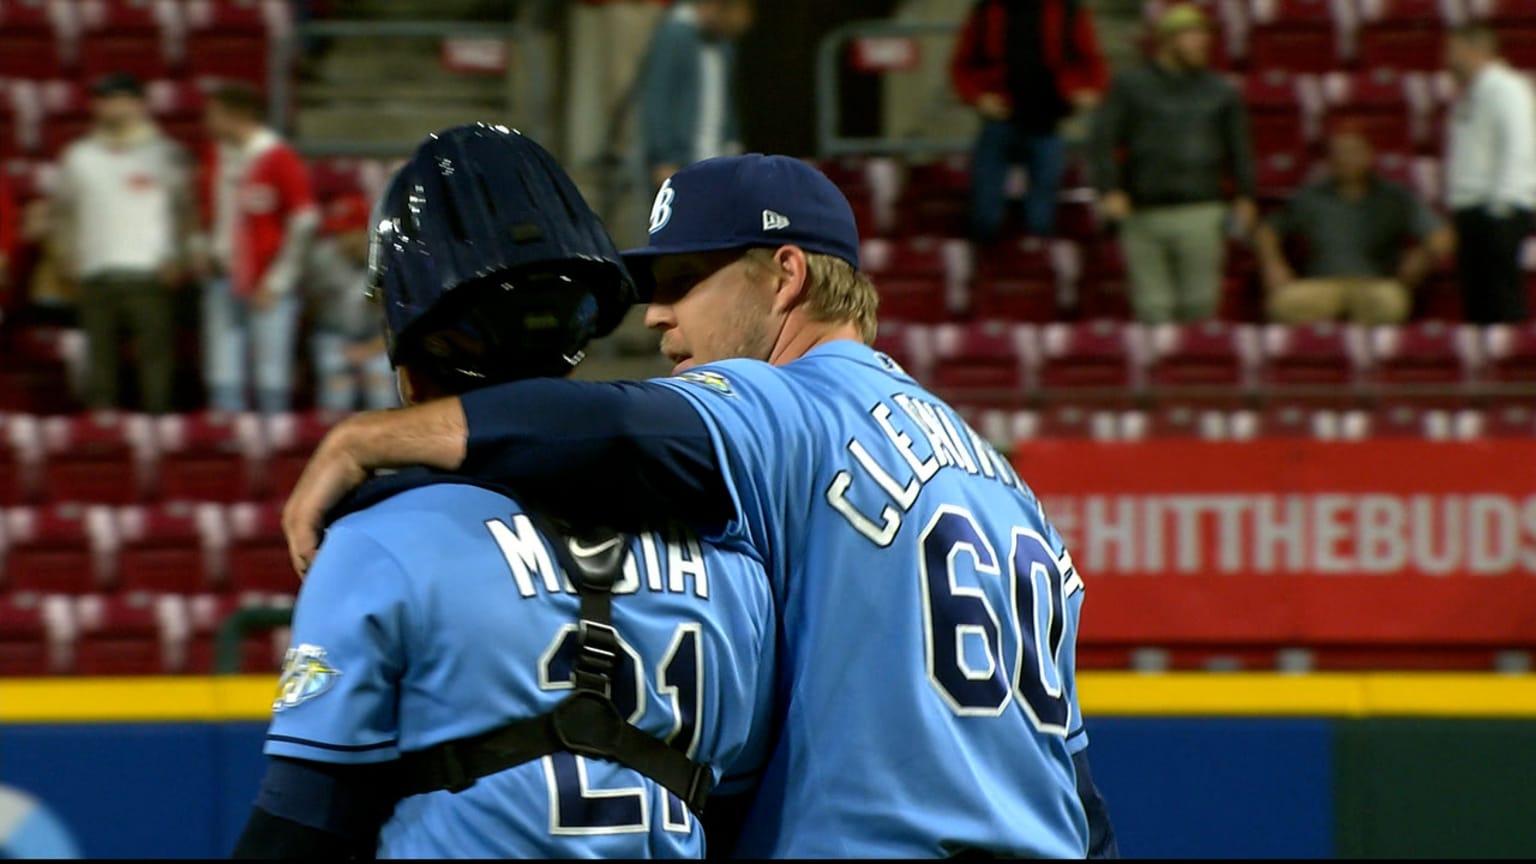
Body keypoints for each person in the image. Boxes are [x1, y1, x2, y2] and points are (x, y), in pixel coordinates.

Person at [279, 155, 1118, 858]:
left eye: (684, 281)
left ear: (785, 276)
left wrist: (370, 440)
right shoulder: (1005, 484)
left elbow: (613, 428)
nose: (656, 315)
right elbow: (1077, 788)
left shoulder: (797, 405)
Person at [232, 125, 775, 858]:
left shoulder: (381, 544)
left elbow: (303, 824)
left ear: (413, 349)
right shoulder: (732, 555)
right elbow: (742, 813)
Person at [1090, 2, 1257, 324]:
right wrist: (1109, 189)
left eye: (1205, 36)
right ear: (1168, 40)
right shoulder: (1130, 86)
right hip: (1143, 212)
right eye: (1193, 35)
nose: (1203, 43)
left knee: (1200, 305)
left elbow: (1239, 150)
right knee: (1152, 308)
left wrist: (1245, 196)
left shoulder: (1221, 91)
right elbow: (1102, 142)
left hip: (1202, 209)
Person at [52, 73, 193, 414]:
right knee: (100, 358)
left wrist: (181, 257)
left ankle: (159, 425)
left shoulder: (166, 154)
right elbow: (64, 212)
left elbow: (187, 211)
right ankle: (103, 428)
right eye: (102, 100)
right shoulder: (78, 155)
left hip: (150, 271)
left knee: (155, 356)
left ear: (137, 104)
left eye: (116, 99)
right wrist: (65, 254)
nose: (108, 107)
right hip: (95, 270)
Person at [196, 82, 318, 414]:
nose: (206, 122)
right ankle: (227, 436)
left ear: (238, 116)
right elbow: (207, 210)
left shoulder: (278, 157)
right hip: (222, 275)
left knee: (271, 368)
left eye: (213, 115)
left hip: (267, 281)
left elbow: (304, 221)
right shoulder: (215, 155)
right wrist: (203, 248)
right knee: (222, 366)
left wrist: (278, 280)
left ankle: (274, 434)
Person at [950, 0, 1109, 242]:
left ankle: (1036, 258)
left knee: (1041, 218)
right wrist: (977, 98)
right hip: (1000, 121)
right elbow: (961, 65)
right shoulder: (987, 10)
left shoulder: (1068, 10)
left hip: (1047, 122)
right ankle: (987, 259)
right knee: (984, 214)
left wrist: (1089, 90)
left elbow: (1093, 62)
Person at [1256, 127, 1449, 325]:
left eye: (1354, 151)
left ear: (1370, 155)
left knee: (1392, 304)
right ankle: (1325, 337)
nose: (1346, 159)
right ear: (1330, 161)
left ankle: (1347, 336)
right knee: (1282, 305)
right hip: (1321, 285)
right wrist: (1273, 263)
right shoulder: (1310, 198)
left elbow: (1442, 235)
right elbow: (1267, 231)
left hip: (1375, 286)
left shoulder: (1395, 198)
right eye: (1339, 153)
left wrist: (1422, 254)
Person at [1444, 22, 1535, 324]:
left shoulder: (1507, 87)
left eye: (1453, 50)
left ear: (1475, 49)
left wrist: (1503, 205)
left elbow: (1519, 145)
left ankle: (1511, 353)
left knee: (1501, 299)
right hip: (1472, 209)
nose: (1447, 59)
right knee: (1478, 302)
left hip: (1496, 208)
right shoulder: (1471, 93)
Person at [637, 0, 755, 190]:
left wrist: (732, 144)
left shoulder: (723, 47)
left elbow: (726, 102)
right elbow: (658, 100)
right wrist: (663, 156)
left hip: (714, 159)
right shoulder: (675, 36)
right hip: (680, 162)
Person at [304, 193, 395, 413]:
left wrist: (368, 350)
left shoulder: (390, 260)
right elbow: (311, 313)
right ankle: (333, 433)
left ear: (367, 231)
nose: (340, 240)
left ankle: (386, 435)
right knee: (337, 385)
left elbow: (399, 325)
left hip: (378, 339)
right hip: (333, 336)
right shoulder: (322, 259)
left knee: (380, 382)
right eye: (336, 233)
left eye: (346, 232)